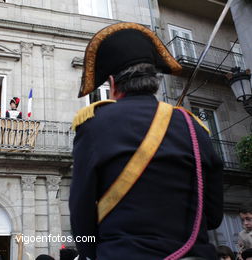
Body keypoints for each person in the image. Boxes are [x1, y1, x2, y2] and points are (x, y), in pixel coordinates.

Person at [69, 22, 223, 260]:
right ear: (154, 81)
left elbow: (81, 211)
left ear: (111, 83)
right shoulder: (194, 126)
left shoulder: (94, 124)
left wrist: (94, 252)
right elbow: (213, 216)